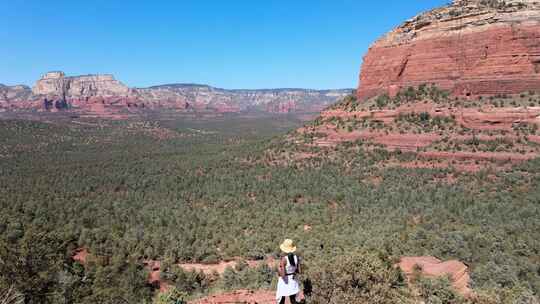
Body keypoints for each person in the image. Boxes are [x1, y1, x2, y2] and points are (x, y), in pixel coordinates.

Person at [276, 239, 301, 304]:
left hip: (284, 282)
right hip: (293, 280)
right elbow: (299, 271)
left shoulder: (284, 259)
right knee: (293, 299)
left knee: (281, 299)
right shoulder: (296, 257)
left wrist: (278, 269)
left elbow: (283, 275)